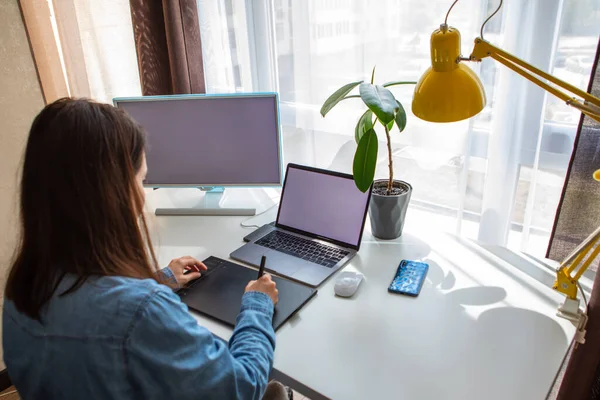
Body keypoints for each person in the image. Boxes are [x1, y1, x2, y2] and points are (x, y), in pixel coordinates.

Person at [2, 98, 289, 400]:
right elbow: (241, 388)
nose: (141, 196)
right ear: (114, 192)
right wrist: (257, 305)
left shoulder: (21, 288)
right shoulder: (143, 313)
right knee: (273, 392)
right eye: (141, 180)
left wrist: (160, 278)